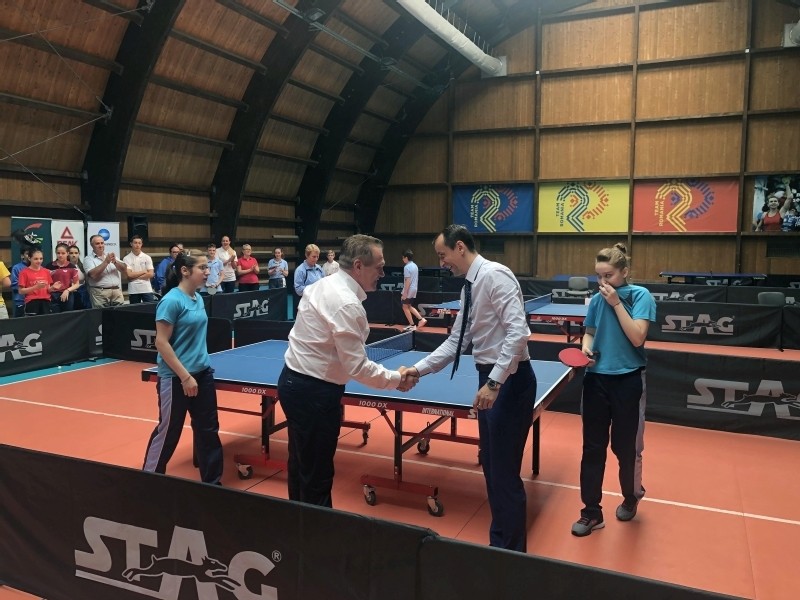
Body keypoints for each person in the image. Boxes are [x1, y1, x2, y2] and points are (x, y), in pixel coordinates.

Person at [403, 225, 534, 552]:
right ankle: (499, 544)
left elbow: (518, 333)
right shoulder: (470, 288)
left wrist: (494, 382)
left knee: (504, 473)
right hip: (490, 379)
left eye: (442, 255)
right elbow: (455, 343)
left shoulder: (495, 276)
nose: (441, 262)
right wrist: (418, 369)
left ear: (459, 247)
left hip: (509, 381)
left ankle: (512, 555)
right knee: (491, 467)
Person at [277, 234, 417, 508]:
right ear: (358, 266)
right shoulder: (347, 304)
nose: (383, 274)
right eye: (379, 267)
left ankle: (297, 524)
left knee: (301, 466)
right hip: (314, 394)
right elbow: (357, 366)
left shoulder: (322, 285)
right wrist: (397, 379)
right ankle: (316, 530)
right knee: (317, 476)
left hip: (293, 384)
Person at [570, 243, 656, 537]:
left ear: (624, 272)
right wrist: (586, 349)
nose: (603, 282)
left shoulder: (641, 296)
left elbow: (637, 337)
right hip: (596, 380)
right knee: (592, 448)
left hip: (628, 381)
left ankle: (631, 496)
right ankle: (591, 512)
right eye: (598, 276)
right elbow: (589, 333)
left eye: (608, 275)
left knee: (625, 447)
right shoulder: (596, 300)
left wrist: (617, 303)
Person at [141, 250, 223, 485]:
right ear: (185, 271)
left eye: (208, 267)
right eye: (203, 268)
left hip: (203, 374)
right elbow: (161, 343)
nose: (207, 272)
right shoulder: (171, 301)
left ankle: (213, 485)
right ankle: (148, 482)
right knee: (169, 431)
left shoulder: (198, 298)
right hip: (176, 378)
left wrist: (197, 372)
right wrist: (185, 377)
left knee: (208, 431)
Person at [84, 235, 127, 308]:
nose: (100, 245)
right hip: (100, 293)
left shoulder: (110, 255)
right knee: (101, 314)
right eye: (97, 243)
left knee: (120, 313)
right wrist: (106, 262)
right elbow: (92, 275)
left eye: (102, 243)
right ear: (92, 245)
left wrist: (115, 262)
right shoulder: (88, 259)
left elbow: (124, 269)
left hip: (116, 291)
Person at [19, 249, 63, 316]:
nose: (39, 261)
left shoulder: (46, 271)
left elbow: (48, 289)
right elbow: (21, 291)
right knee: (33, 321)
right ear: (29, 258)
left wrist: (53, 287)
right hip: (32, 301)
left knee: (46, 321)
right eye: (36, 259)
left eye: (41, 259)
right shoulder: (24, 272)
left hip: (46, 301)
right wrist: (35, 287)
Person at [48, 243, 80, 312]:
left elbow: (77, 284)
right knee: (54, 316)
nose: (60, 255)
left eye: (63, 253)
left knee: (67, 316)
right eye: (58, 253)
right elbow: (46, 283)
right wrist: (50, 288)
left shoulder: (72, 266)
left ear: (67, 253)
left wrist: (67, 290)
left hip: (67, 295)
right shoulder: (49, 266)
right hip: (52, 296)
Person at [123, 235, 156, 303]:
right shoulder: (126, 258)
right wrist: (143, 271)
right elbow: (129, 275)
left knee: (150, 308)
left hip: (146, 288)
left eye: (139, 243)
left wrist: (134, 276)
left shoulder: (147, 257)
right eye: (135, 243)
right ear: (131, 244)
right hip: (133, 289)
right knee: (135, 309)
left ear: (141, 244)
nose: (137, 245)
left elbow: (151, 274)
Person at [401, 249, 427, 331]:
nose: (402, 259)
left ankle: (413, 324)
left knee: (405, 307)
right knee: (409, 306)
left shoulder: (407, 267)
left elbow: (407, 281)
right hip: (414, 289)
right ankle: (421, 320)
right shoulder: (415, 265)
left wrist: (405, 293)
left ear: (406, 257)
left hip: (409, 289)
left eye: (403, 257)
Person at [67, 245, 90, 310]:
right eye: (71, 253)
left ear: (79, 254)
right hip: (69, 292)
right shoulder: (64, 267)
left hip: (82, 292)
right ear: (68, 254)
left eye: (76, 253)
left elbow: (87, 281)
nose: (74, 255)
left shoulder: (83, 266)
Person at [11, 248, 32, 317]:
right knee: (20, 323)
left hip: (35, 301)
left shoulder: (38, 267)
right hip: (21, 301)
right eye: (27, 254)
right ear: (22, 256)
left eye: (31, 253)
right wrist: (32, 287)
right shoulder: (16, 268)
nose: (30, 255)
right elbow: (14, 285)